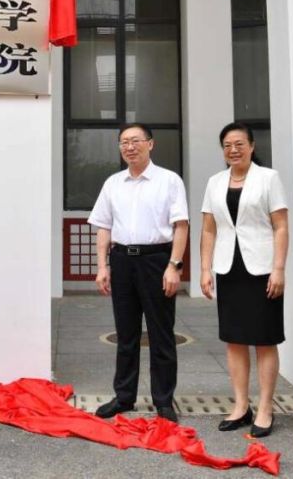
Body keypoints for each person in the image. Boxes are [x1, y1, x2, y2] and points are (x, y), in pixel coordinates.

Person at [90, 123, 189, 423]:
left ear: (150, 144)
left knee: (161, 334)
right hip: (122, 261)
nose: (129, 147)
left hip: (156, 261)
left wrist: (174, 266)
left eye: (135, 141)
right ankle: (124, 396)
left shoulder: (169, 181)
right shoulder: (113, 183)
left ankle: (163, 401)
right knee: (126, 334)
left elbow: (181, 226)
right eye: (124, 142)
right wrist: (102, 266)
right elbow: (103, 227)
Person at [199, 122, 288, 438]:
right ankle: (240, 405)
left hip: (262, 269)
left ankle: (265, 407)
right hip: (228, 268)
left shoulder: (268, 178)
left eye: (239, 144)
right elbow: (209, 229)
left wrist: (279, 268)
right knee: (234, 338)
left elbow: (280, 226)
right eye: (227, 145)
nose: (233, 150)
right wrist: (205, 268)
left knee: (264, 338)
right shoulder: (215, 182)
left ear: (252, 146)